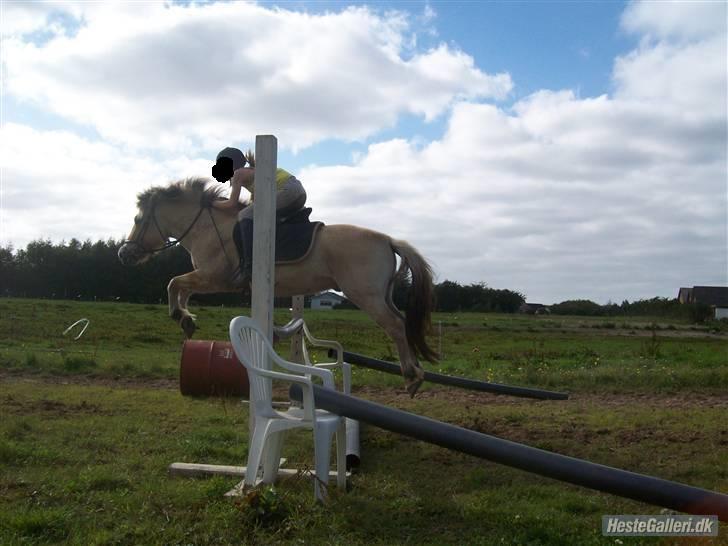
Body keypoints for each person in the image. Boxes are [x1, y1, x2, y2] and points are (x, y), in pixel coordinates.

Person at [211, 146, 307, 287]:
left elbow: (231, 204)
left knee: (244, 215)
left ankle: (249, 266)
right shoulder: (252, 173)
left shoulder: (238, 174)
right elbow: (254, 202)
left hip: (288, 191)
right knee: (253, 214)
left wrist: (211, 203)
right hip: (296, 192)